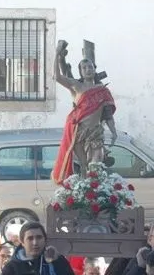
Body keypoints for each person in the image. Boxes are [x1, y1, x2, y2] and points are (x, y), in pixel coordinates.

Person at [51, 42, 118, 184]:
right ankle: (85, 191)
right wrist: (57, 54)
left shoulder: (102, 91)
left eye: (90, 67)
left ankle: (96, 189)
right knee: (83, 165)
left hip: (95, 132)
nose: (88, 70)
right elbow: (57, 77)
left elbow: (108, 115)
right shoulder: (76, 86)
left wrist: (113, 131)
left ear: (94, 69)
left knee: (96, 164)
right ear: (81, 71)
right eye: (84, 68)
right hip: (79, 132)